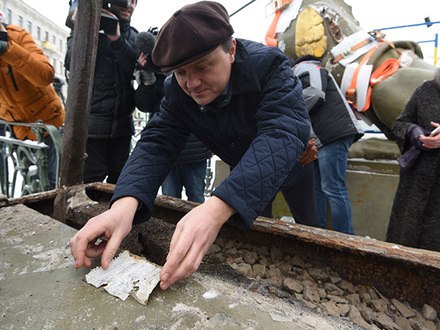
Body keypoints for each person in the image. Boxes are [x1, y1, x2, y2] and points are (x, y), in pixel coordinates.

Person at [70, 1, 317, 291]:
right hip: (246, 172)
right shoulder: (177, 90)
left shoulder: (270, 66)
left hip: (296, 166)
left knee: (309, 225)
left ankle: (312, 275)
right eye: (181, 73)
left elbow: (282, 132)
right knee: (255, 228)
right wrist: (124, 205)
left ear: (231, 50)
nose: (193, 83)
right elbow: (157, 141)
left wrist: (215, 209)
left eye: (202, 67)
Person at [64, 0, 139, 184]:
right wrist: (80, 26)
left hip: (121, 128)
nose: (129, 6)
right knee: (90, 184)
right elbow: (71, 63)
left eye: (134, 2)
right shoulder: (88, 28)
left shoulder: (133, 35)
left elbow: (134, 70)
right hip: (91, 129)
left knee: (120, 185)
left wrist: (118, 41)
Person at [292, 55, 364, 234]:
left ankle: (346, 239)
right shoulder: (311, 70)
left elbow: (314, 92)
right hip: (323, 137)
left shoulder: (305, 67)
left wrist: (290, 109)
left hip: (333, 134)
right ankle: (320, 234)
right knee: (318, 188)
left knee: (333, 187)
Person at [134, 47, 212, 204]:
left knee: (196, 200)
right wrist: (147, 78)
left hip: (194, 150)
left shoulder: (192, 74)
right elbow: (145, 105)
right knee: (169, 200)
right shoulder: (154, 79)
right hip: (167, 151)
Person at [0, 19, 65, 190]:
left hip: (47, 124)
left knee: (50, 182)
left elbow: (45, 75)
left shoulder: (17, 36)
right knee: (29, 181)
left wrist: (8, 50)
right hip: (18, 128)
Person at [386, 68, 440, 252]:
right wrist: (413, 132)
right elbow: (399, 124)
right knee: (404, 238)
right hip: (415, 183)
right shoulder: (425, 90)